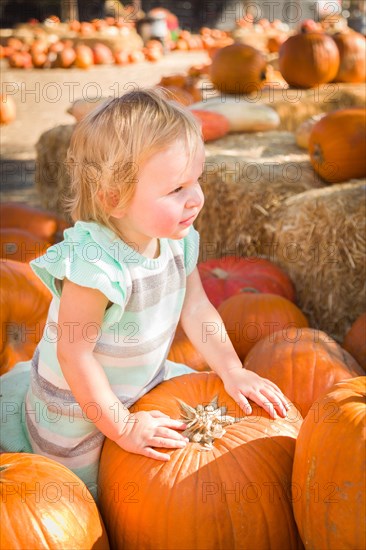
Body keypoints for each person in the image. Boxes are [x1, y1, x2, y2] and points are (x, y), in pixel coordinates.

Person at [0, 89, 289, 499]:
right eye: (176, 189)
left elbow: (198, 308)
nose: (196, 199)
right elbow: (74, 355)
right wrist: (122, 426)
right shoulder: (94, 266)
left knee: (214, 404)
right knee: (88, 499)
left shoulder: (175, 240)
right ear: (114, 199)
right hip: (81, 409)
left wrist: (232, 368)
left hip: (142, 383)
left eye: (197, 180)